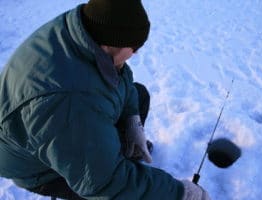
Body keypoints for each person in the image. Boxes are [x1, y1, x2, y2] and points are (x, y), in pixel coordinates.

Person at [0, 0, 210, 199]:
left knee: (138, 94)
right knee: (109, 190)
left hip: (63, 121)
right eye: (134, 48)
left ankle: (118, 154)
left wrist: (132, 121)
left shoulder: (83, 31)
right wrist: (180, 194)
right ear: (112, 44)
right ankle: (114, 160)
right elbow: (104, 182)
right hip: (38, 166)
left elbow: (119, 76)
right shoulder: (70, 103)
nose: (135, 54)